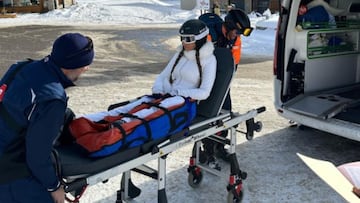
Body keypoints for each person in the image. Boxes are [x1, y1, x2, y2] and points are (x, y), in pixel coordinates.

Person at [0, 33, 94, 203]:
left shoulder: (21, 66)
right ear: (76, 65)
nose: (86, 69)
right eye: (86, 64)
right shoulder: (52, 99)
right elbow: (37, 156)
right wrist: (54, 187)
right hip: (10, 171)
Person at [82, 19, 217, 123]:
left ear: (200, 39)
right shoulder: (180, 54)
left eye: (188, 39)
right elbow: (164, 75)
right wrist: (158, 88)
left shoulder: (209, 60)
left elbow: (204, 92)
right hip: (164, 95)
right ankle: (88, 119)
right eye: (182, 38)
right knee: (135, 105)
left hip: (181, 102)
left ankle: (125, 123)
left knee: (153, 110)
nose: (183, 42)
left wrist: (178, 93)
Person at [200, 9, 252, 168]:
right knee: (207, 116)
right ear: (228, 26)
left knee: (226, 112)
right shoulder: (209, 36)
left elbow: (233, 64)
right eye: (236, 32)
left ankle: (220, 147)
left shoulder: (235, 39)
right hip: (204, 82)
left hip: (222, 81)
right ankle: (207, 150)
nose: (237, 36)